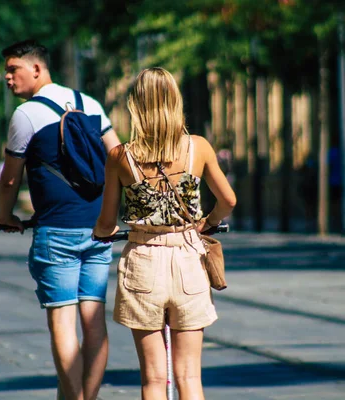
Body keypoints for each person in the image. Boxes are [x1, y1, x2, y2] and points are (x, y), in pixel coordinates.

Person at [93, 67, 236, 400]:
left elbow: (105, 220)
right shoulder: (196, 148)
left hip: (143, 261)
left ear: (136, 106)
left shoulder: (121, 156)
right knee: (188, 376)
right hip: (188, 259)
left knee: (154, 380)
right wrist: (209, 222)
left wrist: (105, 231)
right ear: (175, 101)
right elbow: (228, 199)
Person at [0, 39, 120, 400]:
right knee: (93, 321)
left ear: (37, 69)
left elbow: (9, 176)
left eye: (13, 69)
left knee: (62, 323)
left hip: (58, 232)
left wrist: (6, 215)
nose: (7, 78)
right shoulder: (91, 104)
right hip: (99, 229)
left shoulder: (27, 115)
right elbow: (118, 155)